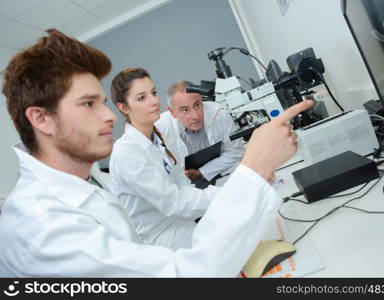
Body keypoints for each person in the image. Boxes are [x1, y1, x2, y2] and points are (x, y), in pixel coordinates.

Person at [0, 28, 313, 277]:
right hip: (168, 238)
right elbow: (183, 275)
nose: (108, 116)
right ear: (42, 118)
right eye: (87, 104)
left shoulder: (82, 184)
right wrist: (252, 170)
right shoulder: (43, 227)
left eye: (102, 103)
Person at [109, 68, 219, 250]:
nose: (154, 101)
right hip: (160, 239)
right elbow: (174, 202)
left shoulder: (156, 138)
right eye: (142, 98)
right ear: (124, 107)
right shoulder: (127, 153)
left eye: (153, 93)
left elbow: (182, 185)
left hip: (181, 223)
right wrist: (224, 194)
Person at [155, 81, 245, 188]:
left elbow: (236, 151)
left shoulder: (218, 112)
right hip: (186, 186)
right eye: (185, 110)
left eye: (197, 105)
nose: (196, 116)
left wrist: (202, 172)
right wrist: (179, 174)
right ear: (172, 112)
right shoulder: (160, 128)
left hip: (221, 171)